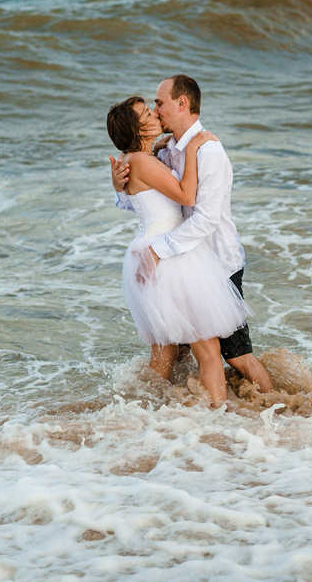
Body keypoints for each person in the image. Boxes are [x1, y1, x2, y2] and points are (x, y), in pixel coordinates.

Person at [109, 75, 274, 393]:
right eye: (150, 110)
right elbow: (154, 201)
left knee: (236, 357)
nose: (156, 112)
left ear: (181, 103)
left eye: (158, 104)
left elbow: (204, 220)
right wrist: (119, 186)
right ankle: (170, 416)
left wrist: (158, 250)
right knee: (189, 350)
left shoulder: (206, 151)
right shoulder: (163, 152)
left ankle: (277, 410)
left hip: (215, 262)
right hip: (179, 263)